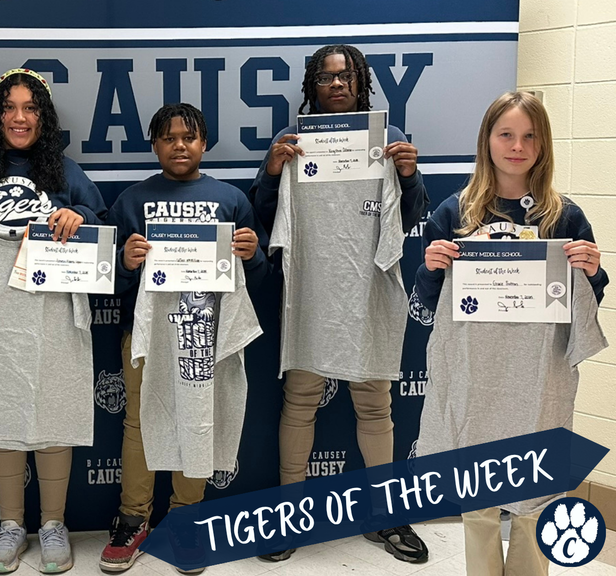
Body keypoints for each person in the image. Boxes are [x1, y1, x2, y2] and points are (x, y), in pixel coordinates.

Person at [248, 44, 430, 563]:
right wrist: (273, 171)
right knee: (301, 399)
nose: (337, 84)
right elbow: (265, 218)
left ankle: (388, 516)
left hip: (369, 287)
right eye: (327, 77)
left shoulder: (389, 140)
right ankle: (290, 513)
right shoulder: (294, 142)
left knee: (374, 402)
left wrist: (411, 175)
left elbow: (411, 216)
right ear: (312, 86)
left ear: (361, 83)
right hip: (311, 289)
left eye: (347, 75)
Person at [415, 91, 608, 576]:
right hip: (475, 375)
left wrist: (593, 271)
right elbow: (422, 310)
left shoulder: (564, 216)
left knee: (537, 489)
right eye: (506, 134)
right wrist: (431, 270)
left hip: (538, 377)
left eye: (529, 136)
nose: (517, 146)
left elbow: (586, 305)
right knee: (477, 492)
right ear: (488, 140)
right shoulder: (454, 213)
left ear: (542, 145)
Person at [0, 68, 107, 575]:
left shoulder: (65, 173)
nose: (20, 117)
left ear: (44, 116)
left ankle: (53, 523)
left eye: (30, 108)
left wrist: (81, 219)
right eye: (9, 107)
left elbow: (101, 230)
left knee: (54, 411)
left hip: (50, 316)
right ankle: (11, 523)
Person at [99, 103, 269, 575]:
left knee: (198, 419)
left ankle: (186, 518)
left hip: (205, 333)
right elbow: (107, 280)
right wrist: (125, 264)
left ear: (204, 144)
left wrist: (252, 256)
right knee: (139, 422)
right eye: (169, 137)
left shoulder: (230, 199)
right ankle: (133, 518)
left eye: (189, 138)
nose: (179, 145)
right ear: (154, 144)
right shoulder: (132, 201)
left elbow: (257, 277)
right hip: (146, 334)